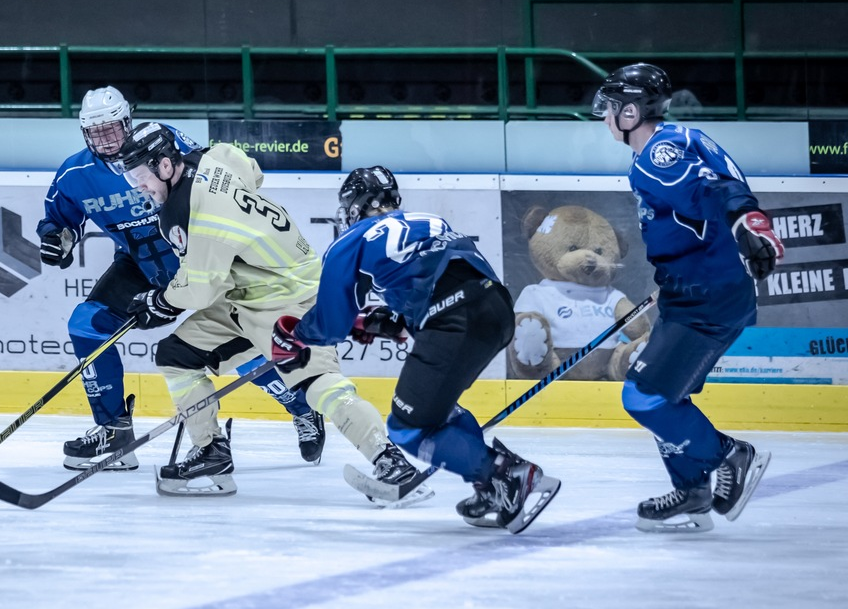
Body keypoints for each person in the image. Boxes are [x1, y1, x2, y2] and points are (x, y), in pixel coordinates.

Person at [116, 123, 433, 503]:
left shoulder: (196, 215)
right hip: (245, 296)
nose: (139, 186)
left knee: (318, 384)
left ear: (165, 166)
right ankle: (211, 452)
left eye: (141, 176)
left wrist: (162, 301)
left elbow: (200, 289)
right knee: (176, 355)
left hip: (290, 299)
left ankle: (391, 461)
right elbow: (252, 169)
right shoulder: (214, 159)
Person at [36, 86, 325, 473]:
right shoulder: (74, 174)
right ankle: (114, 429)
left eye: (113, 129)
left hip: (198, 262)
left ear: (129, 122)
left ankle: (302, 407)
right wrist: (58, 239)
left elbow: (206, 179)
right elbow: (60, 220)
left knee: (241, 350)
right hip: (140, 266)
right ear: (85, 134)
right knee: (86, 325)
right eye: (97, 133)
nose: (107, 140)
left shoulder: (159, 143)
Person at [272, 166, 561, 534]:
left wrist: (294, 336)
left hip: (455, 319)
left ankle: (506, 475)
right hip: (498, 310)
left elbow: (328, 323)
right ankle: (491, 485)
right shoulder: (430, 220)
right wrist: (379, 321)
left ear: (354, 207)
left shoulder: (349, 241)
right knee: (438, 410)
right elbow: (437, 278)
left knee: (409, 426)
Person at [593, 63, 781, 533]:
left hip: (708, 299)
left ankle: (730, 456)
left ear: (631, 112)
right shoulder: (674, 141)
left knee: (644, 398)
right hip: (692, 292)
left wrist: (746, 220)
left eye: (611, 109)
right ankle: (694, 491)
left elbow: (713, 189)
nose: (604, 117)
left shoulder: (657, 155)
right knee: (666, 396)